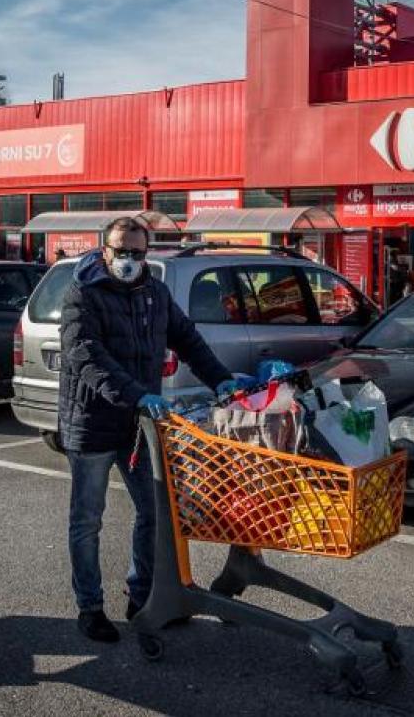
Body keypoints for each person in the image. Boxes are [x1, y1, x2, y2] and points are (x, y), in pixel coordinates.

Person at [58, 217, 242, 643]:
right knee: (87, 520)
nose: (128, 260)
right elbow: (87, 356)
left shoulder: (153, 294)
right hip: (92, 424)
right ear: (105, 251)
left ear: (147, 254)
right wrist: (137, 394)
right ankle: (90, 607)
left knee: (155, 511)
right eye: (121, 251)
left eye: (137, 253)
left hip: (138, 427)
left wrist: (222, 380)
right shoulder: (82, 294)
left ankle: (141, 595)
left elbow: (188, 339)